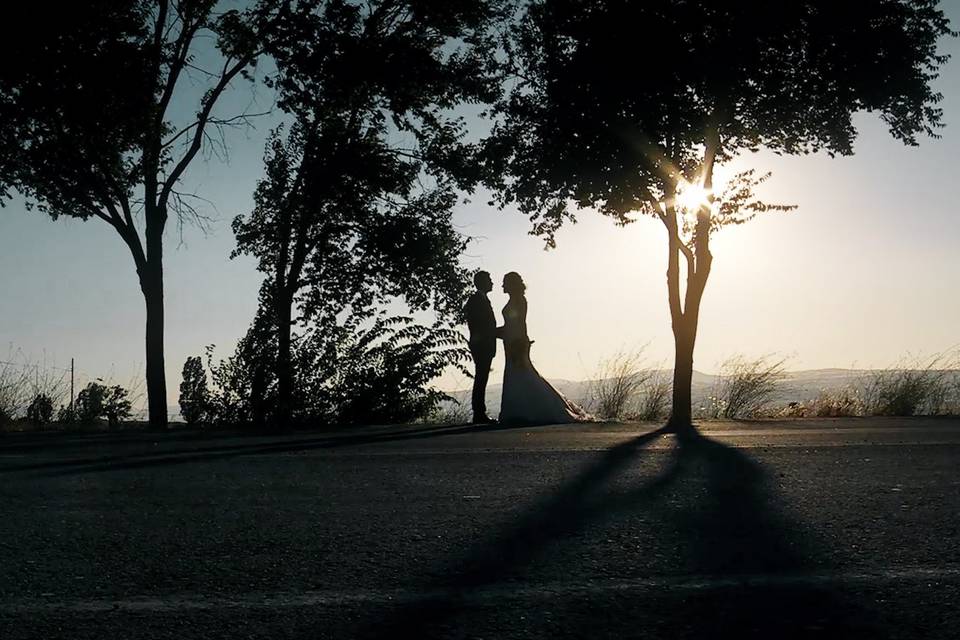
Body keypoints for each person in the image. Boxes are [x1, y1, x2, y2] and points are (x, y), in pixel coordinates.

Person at [497, 272, 589, 425]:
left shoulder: (519, 300)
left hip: (516, 342)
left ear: (512, 284)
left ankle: (526, 411)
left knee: (523, 374)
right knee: (518, 375)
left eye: (505, 282)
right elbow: (511, 325)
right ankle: (519, 411)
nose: (502, 285)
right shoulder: (515, 300)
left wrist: (518, 342)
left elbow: (520, 324)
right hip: (511, 341)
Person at [464, 270, 497, 424]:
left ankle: (479, 412)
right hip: (482, 345)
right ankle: (479, 413)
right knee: (481, 377)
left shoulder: (480, 299)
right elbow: (481, 325)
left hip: (483, 344)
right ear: (482, 282)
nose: (492, 282)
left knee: (481, 377)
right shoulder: (476, 300)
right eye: (489, 279)